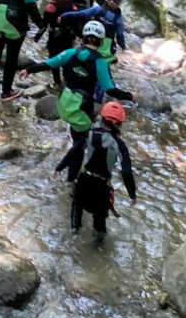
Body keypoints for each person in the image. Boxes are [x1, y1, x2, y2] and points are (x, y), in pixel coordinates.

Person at [20, 20, 133, 168]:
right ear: (101, 41)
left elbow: (48, 64)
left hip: (65, 103)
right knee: (79, 147)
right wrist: (130, 96)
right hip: (81, 109)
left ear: (83, 37)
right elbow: (110, 90)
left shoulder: (70, 53)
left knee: (76, 137)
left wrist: (28, 70)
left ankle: (70, 159)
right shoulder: (100, 62)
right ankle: (72, 175)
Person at [57, 101, 137, 238]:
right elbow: (126, 171)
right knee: (99, 226)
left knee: (77, 207)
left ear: (101, 118)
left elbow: (75, 151)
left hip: (84, 180)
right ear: (119, 124)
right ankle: (98, 251)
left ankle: (74, 234)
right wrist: (132, 194)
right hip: (101, 188)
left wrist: (60, 167)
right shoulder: (120, 145)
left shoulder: (90, 134)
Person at [60, 0, 127, 63]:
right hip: (94, 41)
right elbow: (81, 14)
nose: (112, 2)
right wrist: (65, 15)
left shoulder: (118, 19)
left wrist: (123, 47)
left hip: (105, 46)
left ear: (120, 1)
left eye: (115, 0)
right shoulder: (98, 10)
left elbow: (120, 35)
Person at [33, 0, 77, 87]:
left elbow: (44, 25)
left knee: (54, 60)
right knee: (67, 59)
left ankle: (57, 81)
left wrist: (37, 36)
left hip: (55, 39)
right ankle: (67, 81)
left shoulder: (51, 8)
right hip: (68, 37)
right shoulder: (72, 5)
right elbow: (76, 21)